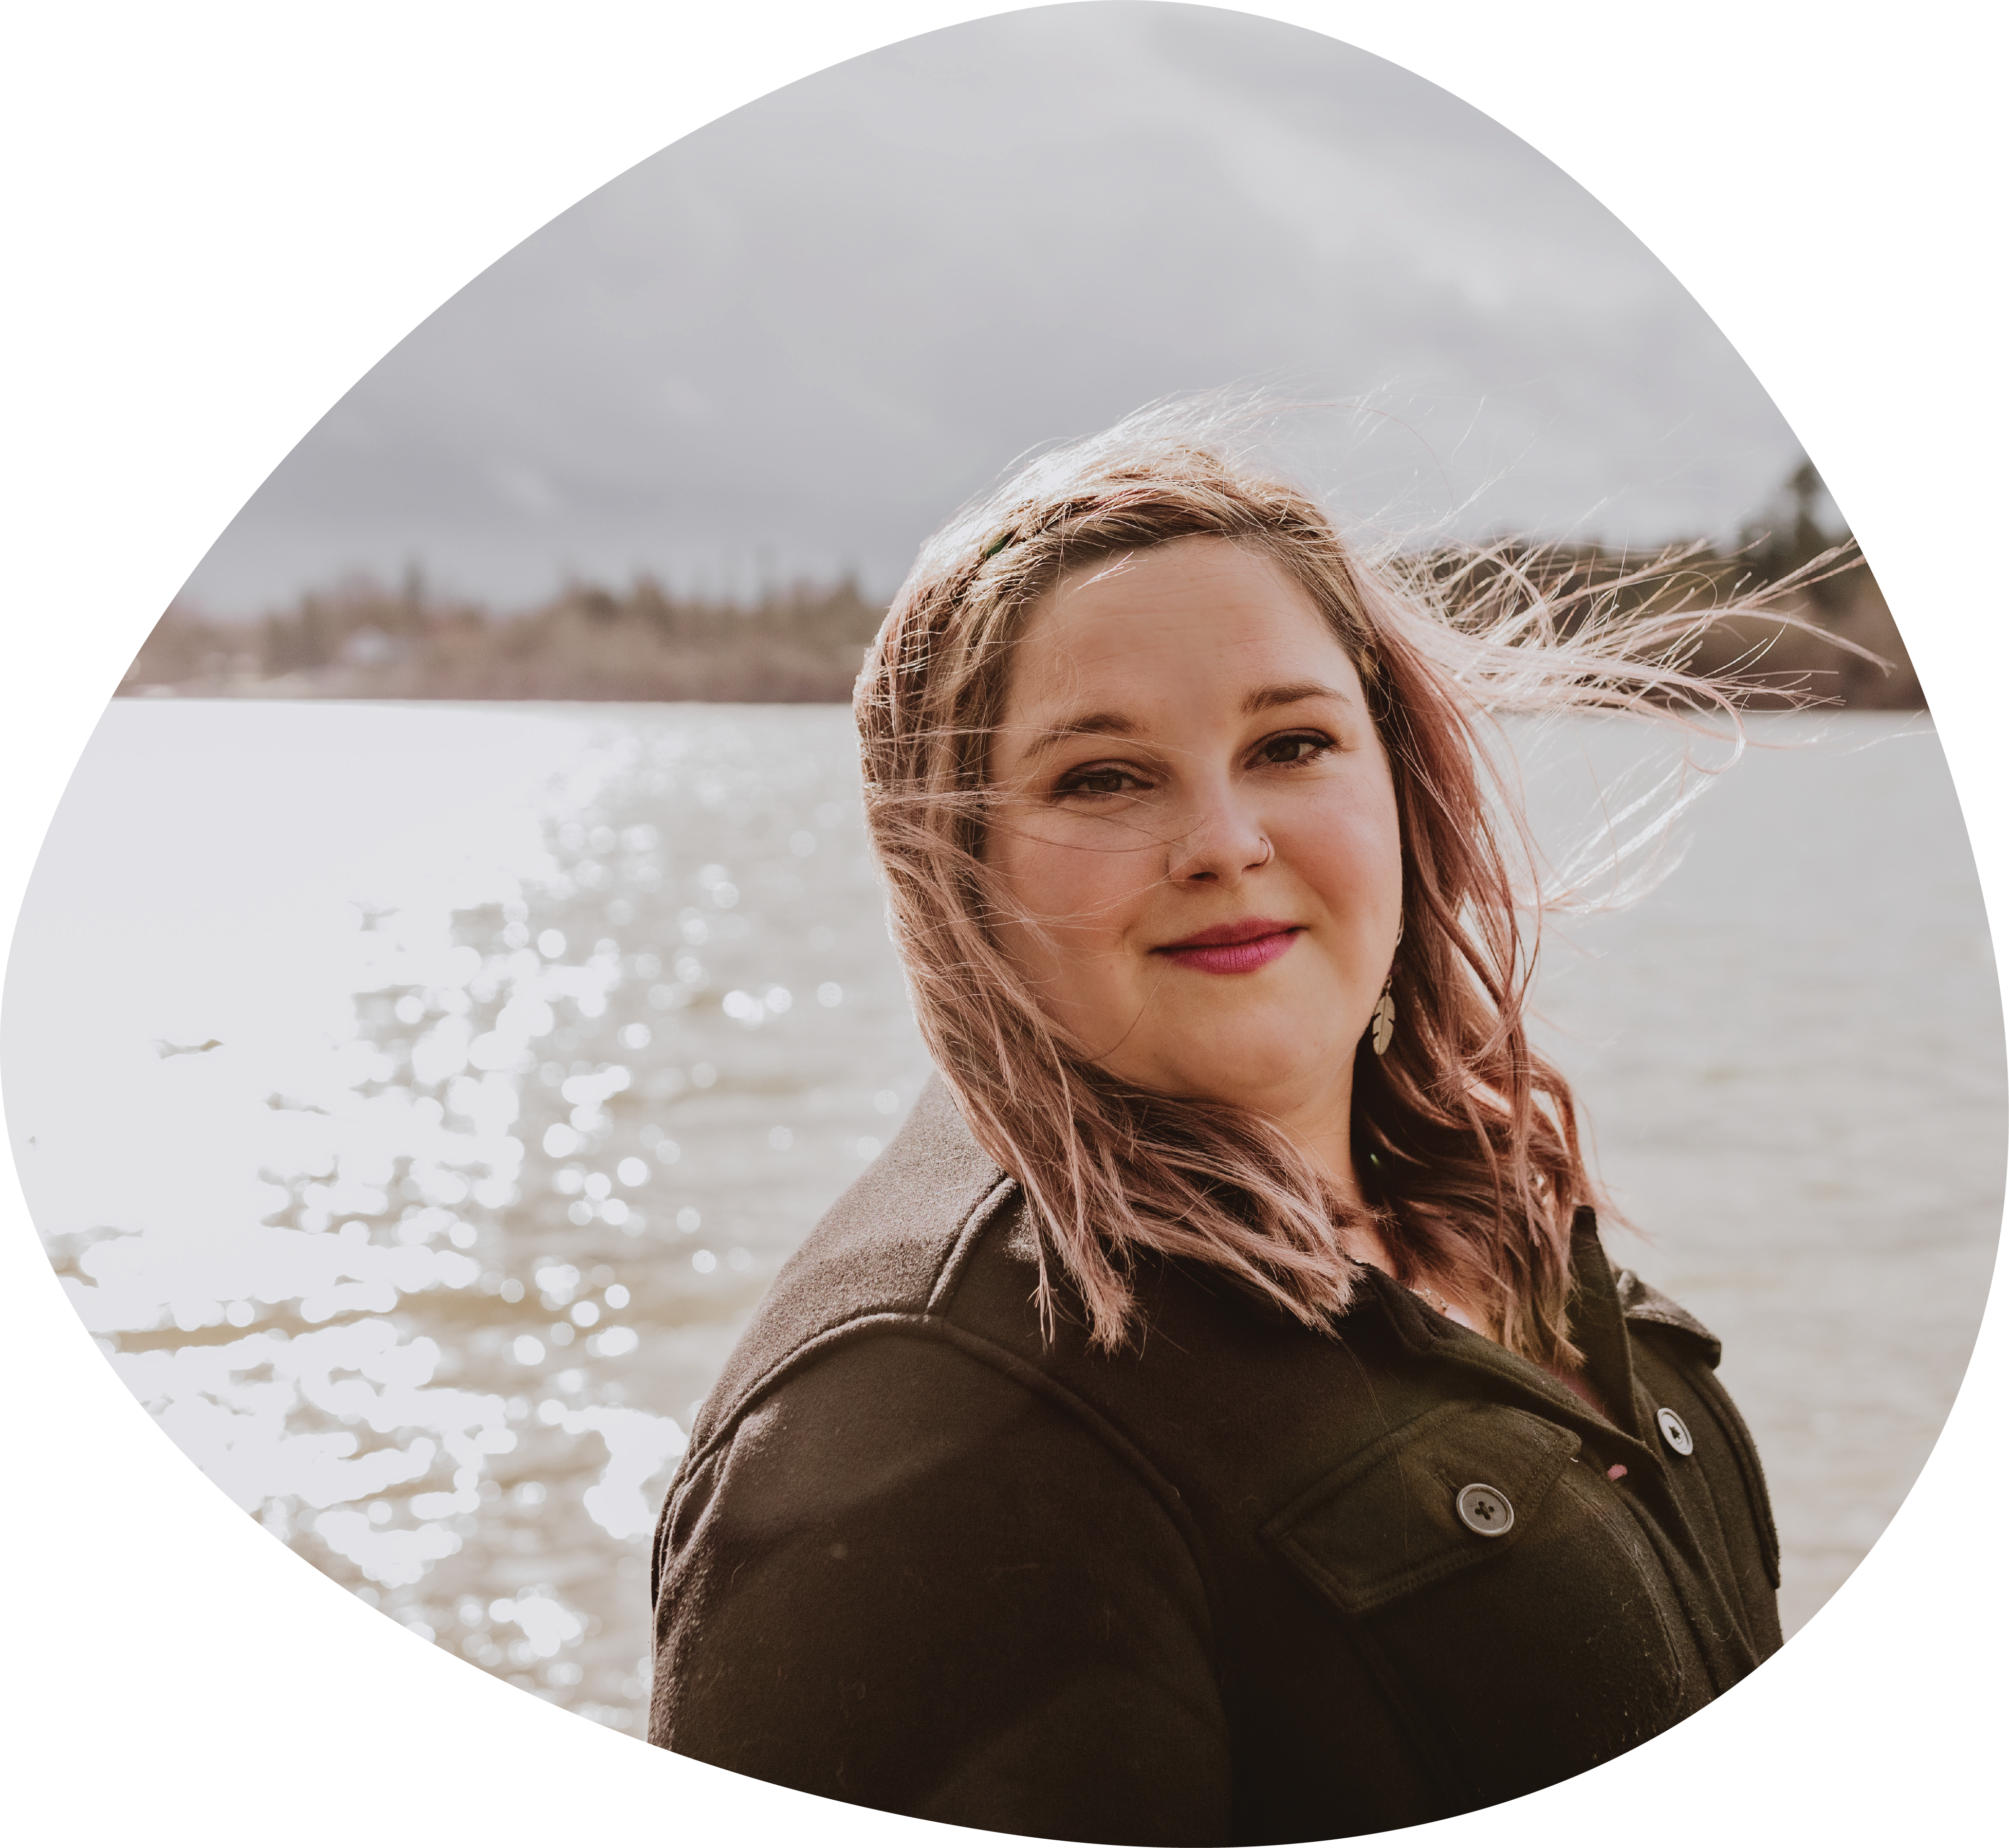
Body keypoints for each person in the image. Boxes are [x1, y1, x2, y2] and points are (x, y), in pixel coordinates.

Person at [647, 404, 1797, 1845]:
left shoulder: (1480, 1201)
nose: (1224, 842)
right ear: (961, 866)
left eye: (1291, 745)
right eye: (1101, 777)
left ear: (1399, 783)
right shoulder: (920, 1417)